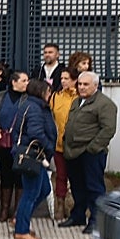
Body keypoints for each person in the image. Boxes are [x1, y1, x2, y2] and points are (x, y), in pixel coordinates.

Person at [60, 71, 117, 233]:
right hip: (73, 151)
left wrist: (93, 148)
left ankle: (96, 220)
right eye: (79, 84)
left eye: (86, 84)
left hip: (91, 152)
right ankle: (78, 215)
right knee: (77, 186)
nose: (82, 87)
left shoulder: (104, 104)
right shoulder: (77, 101)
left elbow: (108, 129)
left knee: (94, 187)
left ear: (95, 85)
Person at [10, 78, 57, 239]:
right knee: (31, 193)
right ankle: (21, 230)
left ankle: (20, 217)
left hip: (36, 156)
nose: (50, 95)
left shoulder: (30, 105)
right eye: (48, 91)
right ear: (41, 92)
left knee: (44, 189)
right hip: (34, 156)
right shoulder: (35, 108)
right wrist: (49, 146)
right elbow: (36, 133)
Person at [0, 70, 29, 226]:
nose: (27, 83)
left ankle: (18, 211)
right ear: (14, 82)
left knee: (20, 178)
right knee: (5, 176)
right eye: (24, 80)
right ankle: (4, 209)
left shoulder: (29, 98)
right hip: (3, 144)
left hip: (21, 144)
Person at [49, 67, 78, 220]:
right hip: (59, 143)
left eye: (66, 78)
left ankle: (75, 205)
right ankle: (60, 205)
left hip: (76, 145)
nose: (63, 81)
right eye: (61, 78)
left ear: (74, 80)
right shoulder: (55, 97)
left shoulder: (79, 97)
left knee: (76, 176)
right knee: (61, 175)